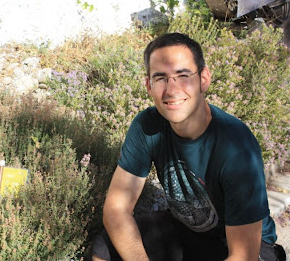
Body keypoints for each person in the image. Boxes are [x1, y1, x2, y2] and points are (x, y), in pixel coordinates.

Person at [92, 33, 286, 261]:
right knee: (104, 249)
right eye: (161, 78)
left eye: (183, 75)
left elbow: (242, 256)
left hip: (248, 245)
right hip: (188, 230)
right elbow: (116, 209)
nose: (172, 90)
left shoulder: (236, 146)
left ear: (204, 79)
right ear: (148, 85)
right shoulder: (147, 126)